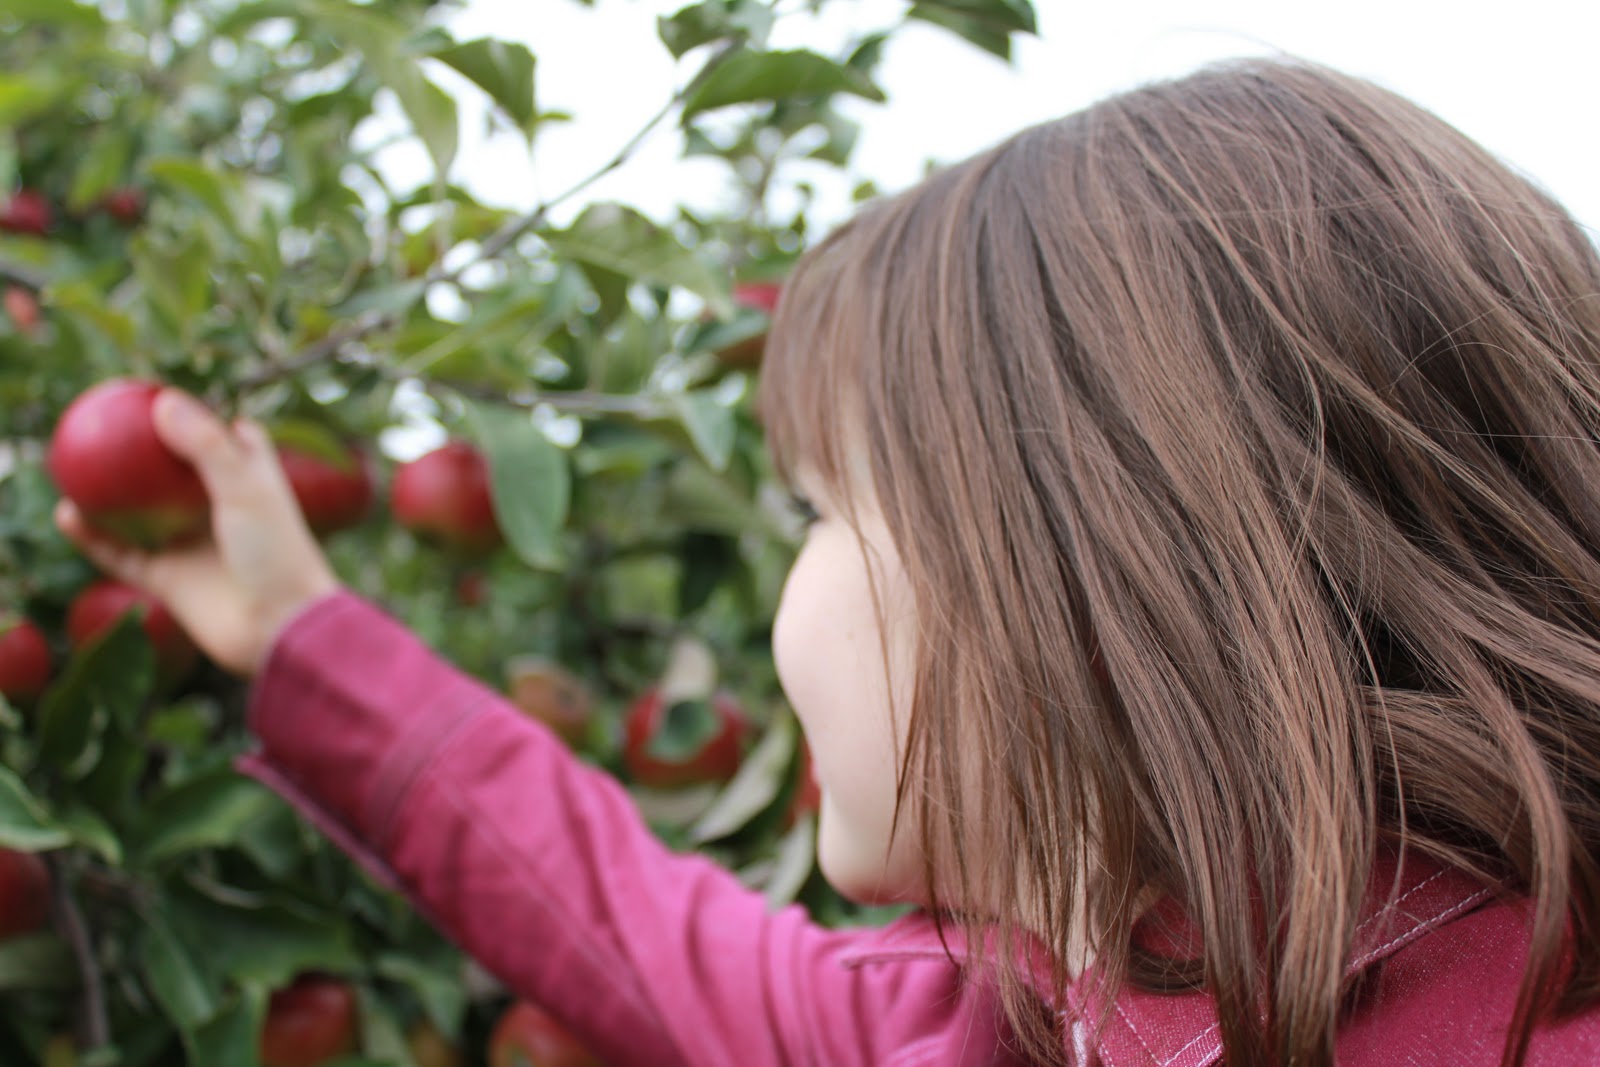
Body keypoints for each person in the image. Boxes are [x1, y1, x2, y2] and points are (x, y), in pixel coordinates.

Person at [56, 58, 1600, 1066]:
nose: (791, 586)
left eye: (823, 513)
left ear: (1078, 558)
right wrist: (298, 629)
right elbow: (629, 929)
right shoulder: (996, 1021)